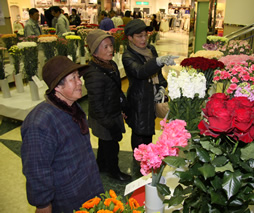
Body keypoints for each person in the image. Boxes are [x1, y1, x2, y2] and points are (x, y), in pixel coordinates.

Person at [21, 56, 104, 213]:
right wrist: (43, 205)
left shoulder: (73, 107)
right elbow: (37, 171)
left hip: (89, 187)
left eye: (78, 77)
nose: (80, 82)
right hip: (67, 199)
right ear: (57, 87)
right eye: (73, 78)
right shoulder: (39, 123)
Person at [122, 19, 178, 151]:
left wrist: (162, 87)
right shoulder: (128, 56)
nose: (143, 39)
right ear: (130, 38)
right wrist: (157, 61)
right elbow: (140, 72)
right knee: (140, 132)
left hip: (152, 98)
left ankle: (150, 159)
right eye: (139, 36)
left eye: (145, 35)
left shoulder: (150, 49)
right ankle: (140, 163)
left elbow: (157, 74)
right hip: (139, 101)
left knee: (149, 131)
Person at [83, 29, 131, 181]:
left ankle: (101, 165)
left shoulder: (110, 65)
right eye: (105, 47)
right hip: (103, 118)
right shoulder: (94, 74)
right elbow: (97, 107)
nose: (110, 50)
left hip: (112, 112)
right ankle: (113, 171)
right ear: (95, 52)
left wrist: (122, 108)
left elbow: (117, 90)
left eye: (111, 45)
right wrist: (111, 124)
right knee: (111, 145)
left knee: (105, 143)